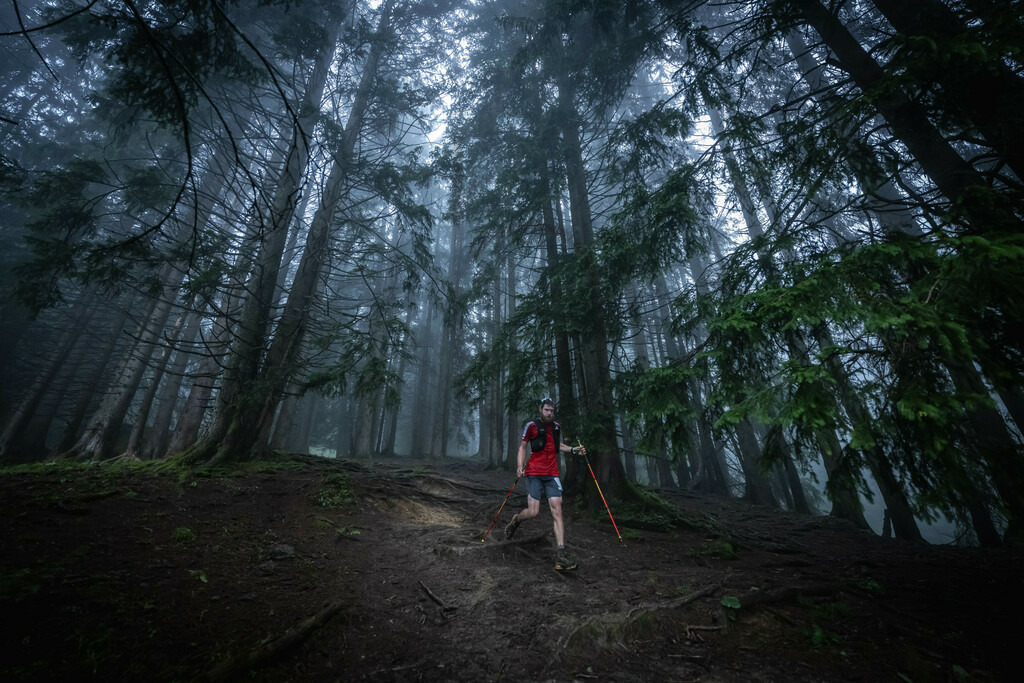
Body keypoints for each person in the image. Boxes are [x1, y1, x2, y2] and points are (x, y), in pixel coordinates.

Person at [504, 397, 585, 570]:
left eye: (551, 410)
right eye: (546, 410)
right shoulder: (531, 426)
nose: (549, 413)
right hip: (534, 473)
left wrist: (573, 449)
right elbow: (522, 447)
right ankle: (516, 519)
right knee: (533, 512)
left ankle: (561, 557)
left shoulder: (556, 426)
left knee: (557, 511)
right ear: (540, 409)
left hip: (552, 475)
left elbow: (557, 445)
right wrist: (520, 466)